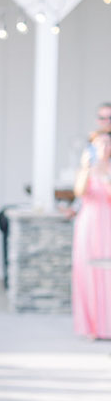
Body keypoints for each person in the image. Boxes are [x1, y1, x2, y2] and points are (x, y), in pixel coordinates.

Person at [72, 131, 111, 339]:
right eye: (99, 144)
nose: (104, 148)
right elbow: (79, 191)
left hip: (108, 224)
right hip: (89, 224)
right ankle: (93, 327)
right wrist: (87, 168)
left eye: (107, 144)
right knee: (88, 273)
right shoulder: (86, 168)